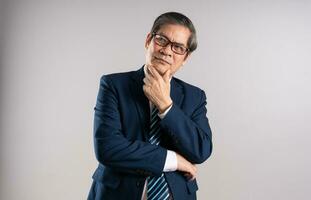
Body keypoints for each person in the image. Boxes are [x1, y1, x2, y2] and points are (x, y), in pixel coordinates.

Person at [87, 12, 213, 200]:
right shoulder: (113, 85)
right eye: (161, 40)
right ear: (148, 40)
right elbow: (108, 148)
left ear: (186, 57)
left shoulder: (194, 96)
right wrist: (174, 160)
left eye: (178, 47)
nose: (167, 51)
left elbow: (201, 150)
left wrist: (166, 106)